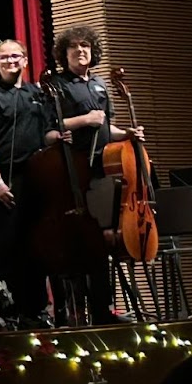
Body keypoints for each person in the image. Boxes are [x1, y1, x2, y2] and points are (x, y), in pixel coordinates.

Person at [52, 25, 143, 324]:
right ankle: (76, 312)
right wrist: (83, 119)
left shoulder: (100, 85)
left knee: (102, 241)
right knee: (80, 241)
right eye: (74, 47)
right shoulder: (59, 85)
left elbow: (108, 128)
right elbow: (52, 124)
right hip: (75, 168)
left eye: (86, 46)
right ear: (64, 54)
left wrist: (127, 133)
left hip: (102, 170)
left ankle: (104, 310)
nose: (81, 51)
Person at [0, 39, 59, 327]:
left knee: (38, 247)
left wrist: (59, 137)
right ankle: (5, 314)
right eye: (3, 57)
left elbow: (46, 134)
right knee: (7, 249)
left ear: (25, 60)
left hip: (37, 178)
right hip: (6, 182)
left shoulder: (38, 94)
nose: (10, 61)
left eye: (15, 56)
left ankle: (36, 311)